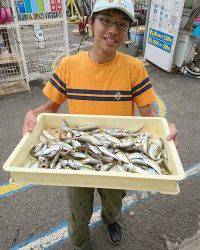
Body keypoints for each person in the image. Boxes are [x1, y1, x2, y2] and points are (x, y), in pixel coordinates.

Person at [23, 0, 178, 249]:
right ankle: (81, 242)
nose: (113, 30)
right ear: (90, 23)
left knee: (114, 201)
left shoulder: (135, 68)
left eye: (121, 24)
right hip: (77, 151)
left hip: (118, 153)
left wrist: (166, 128)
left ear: (127, 31)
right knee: (78, 211)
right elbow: (51, 108)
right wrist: (33, 113)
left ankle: (111, 220)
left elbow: (149, 114)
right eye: (105, 20)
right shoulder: (68, 65)